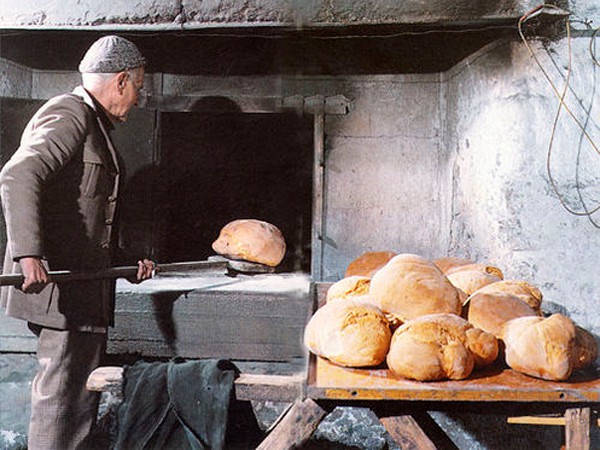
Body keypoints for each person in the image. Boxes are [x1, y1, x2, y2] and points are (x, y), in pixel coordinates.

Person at [0, 35, 155, 449]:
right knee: (60, 403)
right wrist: (28, 253)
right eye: (138, 87)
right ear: (121, 81)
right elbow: (18, 175)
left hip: (84, 287)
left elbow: (85, 217)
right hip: (62, 292)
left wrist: (126, 261)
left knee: (79, 403)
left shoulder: (94, 125)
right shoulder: (69, 114)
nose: (139, 98)